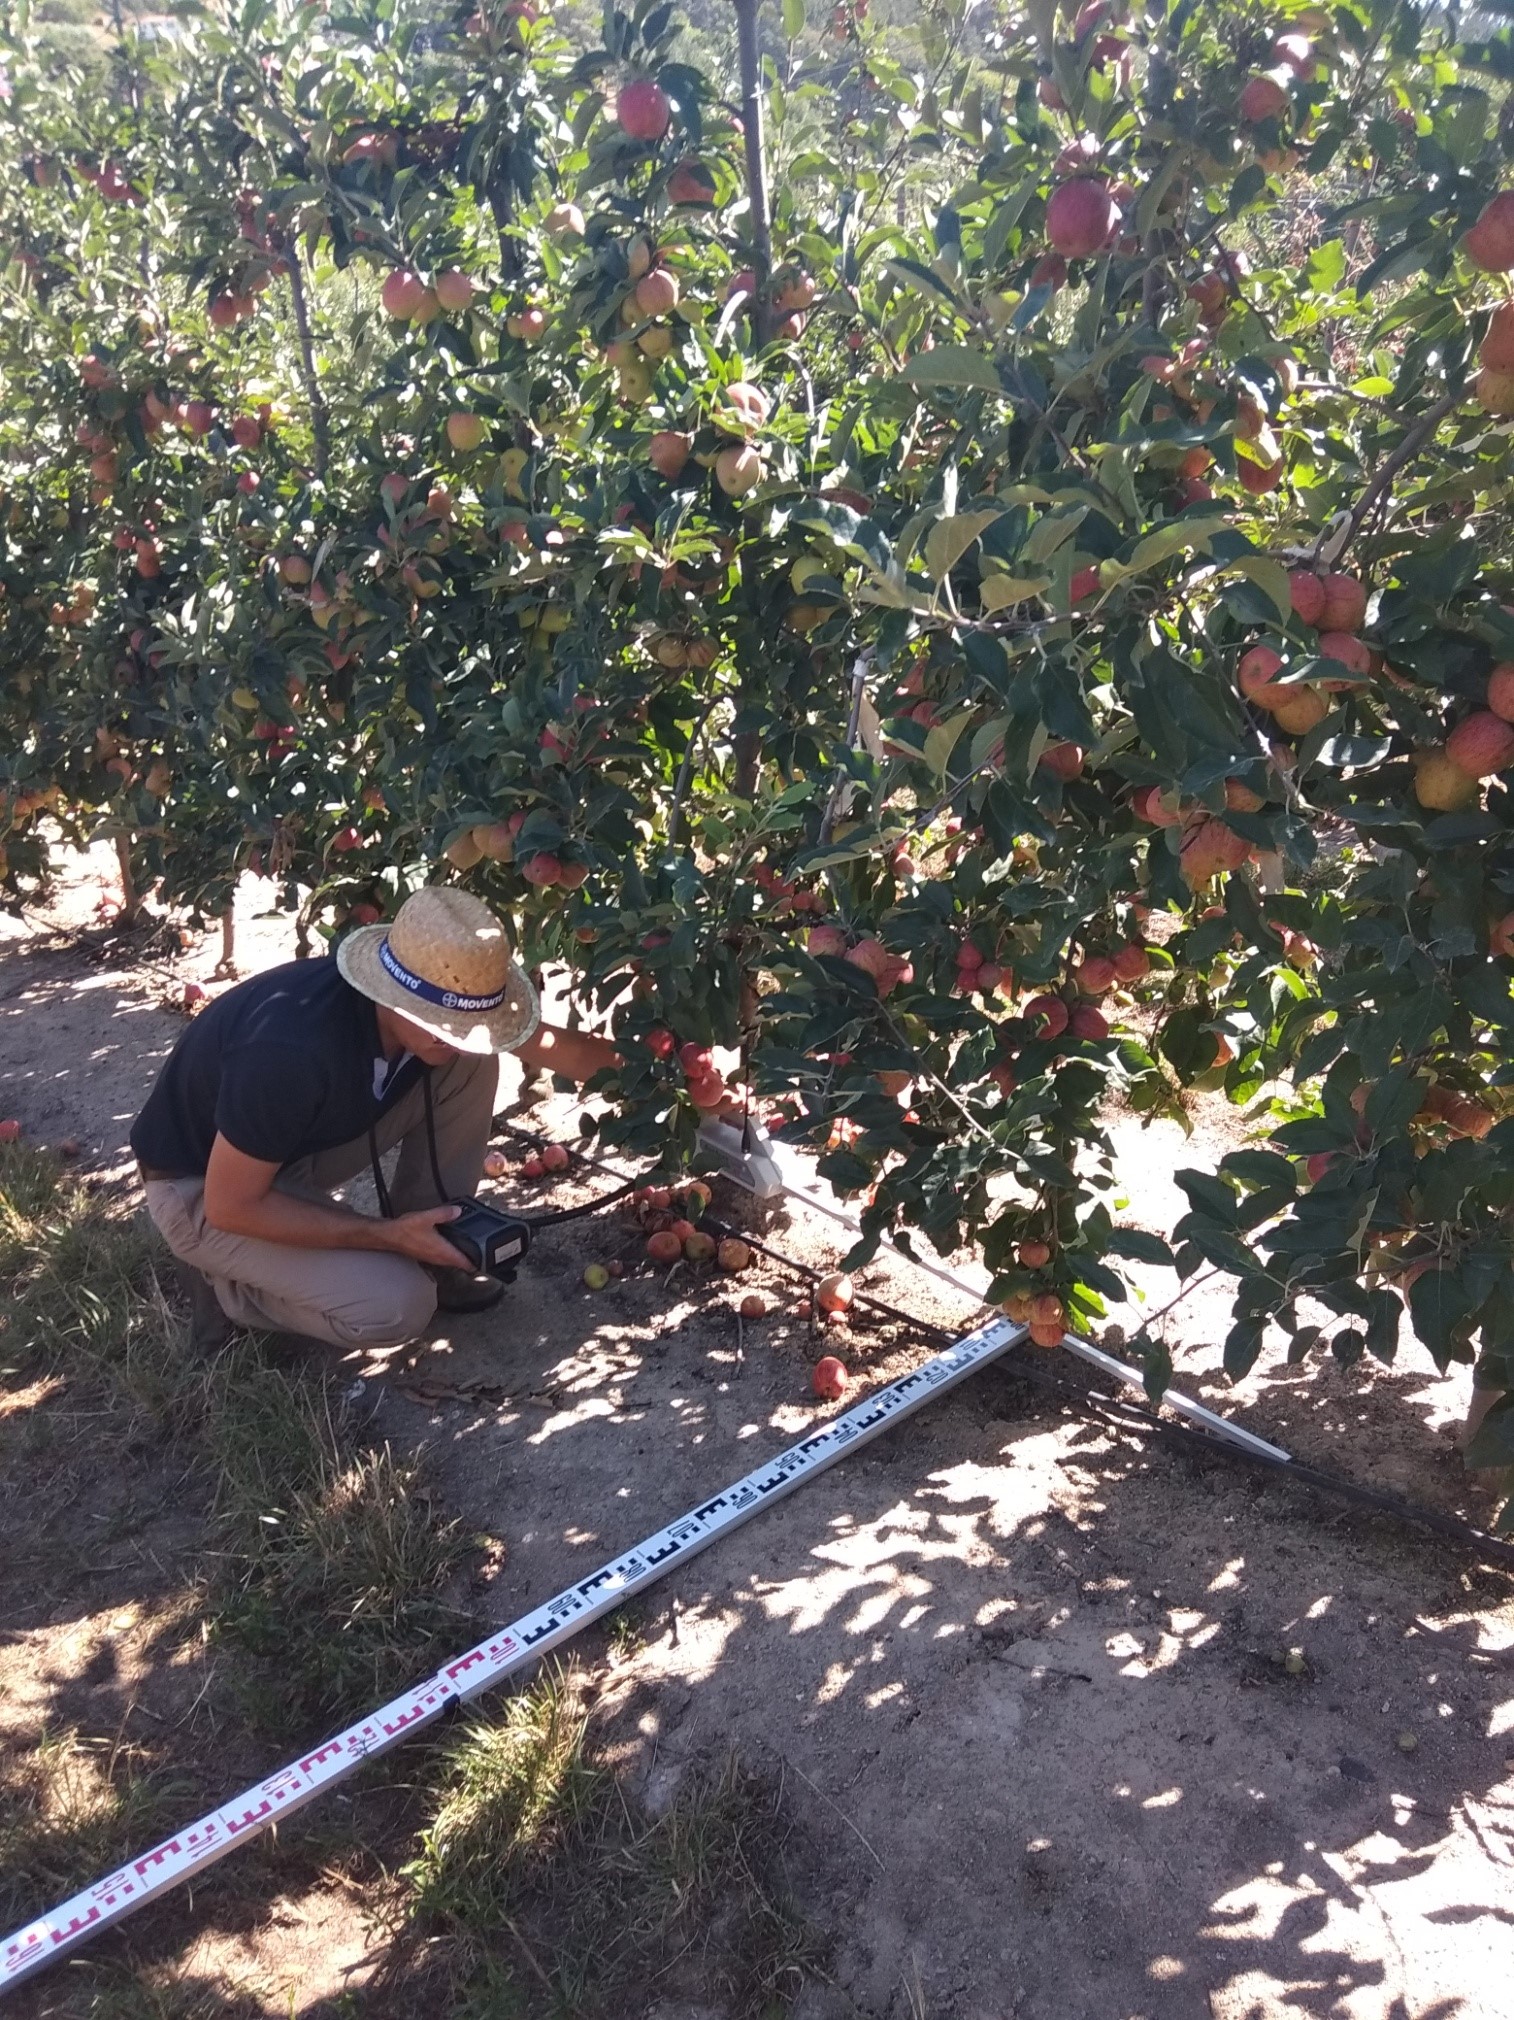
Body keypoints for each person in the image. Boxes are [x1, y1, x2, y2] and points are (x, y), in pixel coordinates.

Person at [130, 886, 616, 1352]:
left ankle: (439, 1243)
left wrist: (666, 1075)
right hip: (202, 1187)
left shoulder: (433, 1006)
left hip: (293, 1149)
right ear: (391, 994)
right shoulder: (290, 1051)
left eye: (466, 1024)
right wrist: (384, 1236)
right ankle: (230, 1288)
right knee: (396, 1305)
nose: (454, 1035)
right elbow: (230, 1205)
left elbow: (559, 1048)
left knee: (473, 1060)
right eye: (440, 1023)